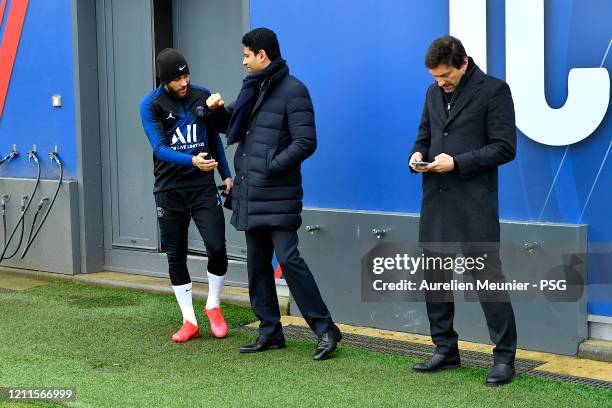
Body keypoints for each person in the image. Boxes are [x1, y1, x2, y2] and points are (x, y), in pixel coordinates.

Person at [205, 28, 342, 360]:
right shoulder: (254, 89)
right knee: (257, 265)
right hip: (251, 193)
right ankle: (270, 331)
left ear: (261, 55)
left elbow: (306, 141)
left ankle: (326, 331)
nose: (243, 61)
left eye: (246, 55)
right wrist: (216, 111)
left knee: (290, 261)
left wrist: (271, 165)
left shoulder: (294, 91)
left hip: (278, 192)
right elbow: (231, 124)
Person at [409, 36, 518, 386]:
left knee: (488, 283)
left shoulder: (495, 91)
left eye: (445, 75)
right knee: (435, 281)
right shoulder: (432, 93)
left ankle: (504, 357)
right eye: (435, 77)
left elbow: (504, 148)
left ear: (464, 63)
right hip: (436, 201)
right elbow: (424, 136)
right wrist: (416, 156)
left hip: (474, 205)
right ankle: (445, 349)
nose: (440, 82)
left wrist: (456, 163)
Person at [140, 48, 233, 342]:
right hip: (169, 190)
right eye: (178, 78)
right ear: (164, 80)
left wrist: (226, 174)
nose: (184, 82)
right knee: (175, 255)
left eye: (186, 75)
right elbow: (159, 148)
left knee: (217, 247)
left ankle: (213, 306)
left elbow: (215, 139)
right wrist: (192, 160)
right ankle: (189, 320)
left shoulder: (201, 95)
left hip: (202, 188)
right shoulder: (150, 104)